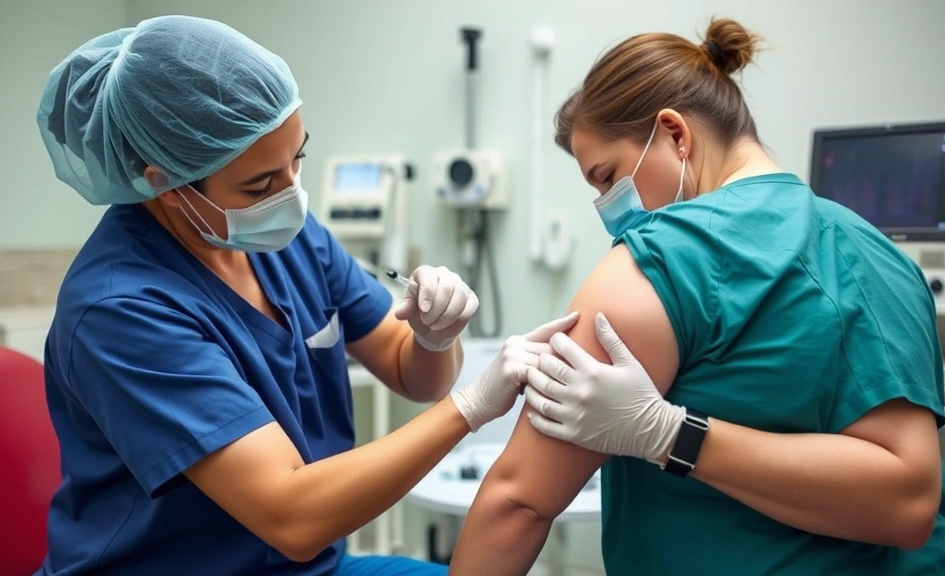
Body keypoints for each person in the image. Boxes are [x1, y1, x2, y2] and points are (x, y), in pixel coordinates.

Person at [34, 15, 579, 576]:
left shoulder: (285, 238)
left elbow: (410, 373)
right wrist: (469, 408)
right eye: (259, 184)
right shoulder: (121, 308)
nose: (291, 194)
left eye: (297, 158)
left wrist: (433, 339)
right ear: (163, 183)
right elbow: (293, 518)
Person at [449, 17, 945, 576]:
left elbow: (519, 502)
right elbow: (911, 498)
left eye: (608, 177)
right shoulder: (877, 251)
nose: (608, 206)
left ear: (674, 134)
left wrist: (668, 432)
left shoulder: (655, 258)